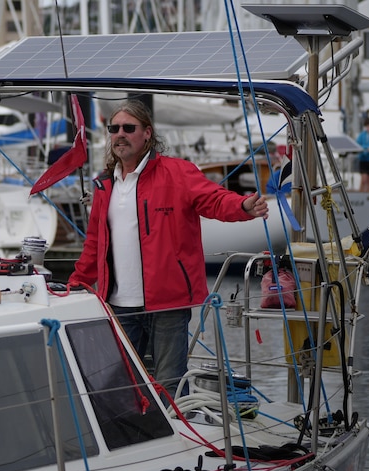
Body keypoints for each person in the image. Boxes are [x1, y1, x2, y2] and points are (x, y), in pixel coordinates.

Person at [67, 99, 269, 400]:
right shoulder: (104, 185)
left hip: (168, 303)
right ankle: (136, 439)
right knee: (121, 384)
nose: (120, 134)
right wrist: (76, 283)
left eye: (128, 128)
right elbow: (95, 243)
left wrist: (243, 206)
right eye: (114, 128)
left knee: (169, 383)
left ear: (147, 134)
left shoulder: (178, 173)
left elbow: (213, 200)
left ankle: (181, 440)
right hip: (119, 304)